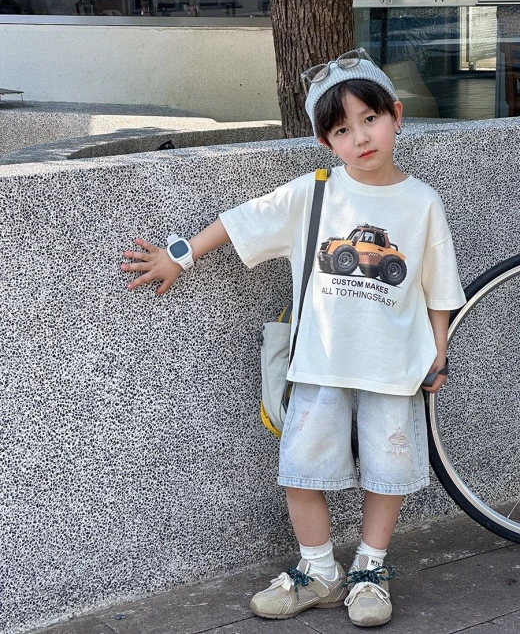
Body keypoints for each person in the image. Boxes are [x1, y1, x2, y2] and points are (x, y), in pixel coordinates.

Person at [120, 48, 466, 627]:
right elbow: (242, 220)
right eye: (342, 129)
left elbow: (439, 288)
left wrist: (439, 351)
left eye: (370, 119)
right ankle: (319, 570)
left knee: (388, 471)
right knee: (301, 469)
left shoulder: (422, 202)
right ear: (325, 142)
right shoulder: (316, 191)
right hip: (318, 364)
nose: (361, 137)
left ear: (397, 115)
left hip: (394, 368)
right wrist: (180, 255)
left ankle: (370, 569)